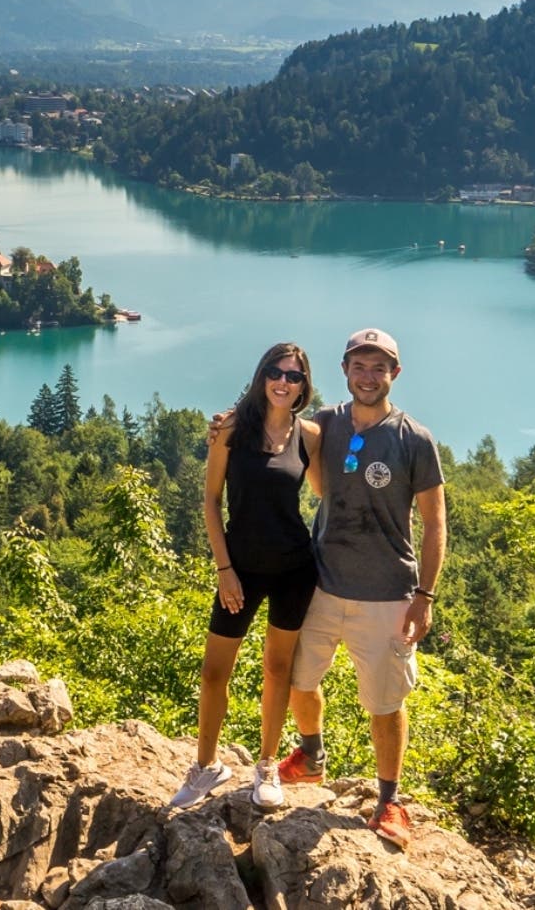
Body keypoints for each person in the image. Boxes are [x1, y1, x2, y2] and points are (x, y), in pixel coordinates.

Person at [273, 327, 446, 849]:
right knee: (300, 679)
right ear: (345, 371)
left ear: (395, 373)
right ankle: (311, 755)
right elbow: (277, 422)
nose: (368, 376)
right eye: (359, 366)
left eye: (379, 367)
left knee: (385, 703)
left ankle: (390, 800)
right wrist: (228, 423)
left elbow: (435, 523)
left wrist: (425, 596)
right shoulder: (327, 423)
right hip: (323, 583)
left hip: (388, 593)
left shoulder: (413, 438)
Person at [170, 342, 323, 812]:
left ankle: (267, 766)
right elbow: (211, 502)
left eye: (294, 376)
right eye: (276, 372)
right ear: (262, 377)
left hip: (295, 570)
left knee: (278, 671)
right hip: (239, 571)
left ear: (303, 386)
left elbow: (327, 497)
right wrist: (224, 570)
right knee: (215, 672)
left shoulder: (310, 436)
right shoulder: (232, 430)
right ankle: (206, 766)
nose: (284, 382)